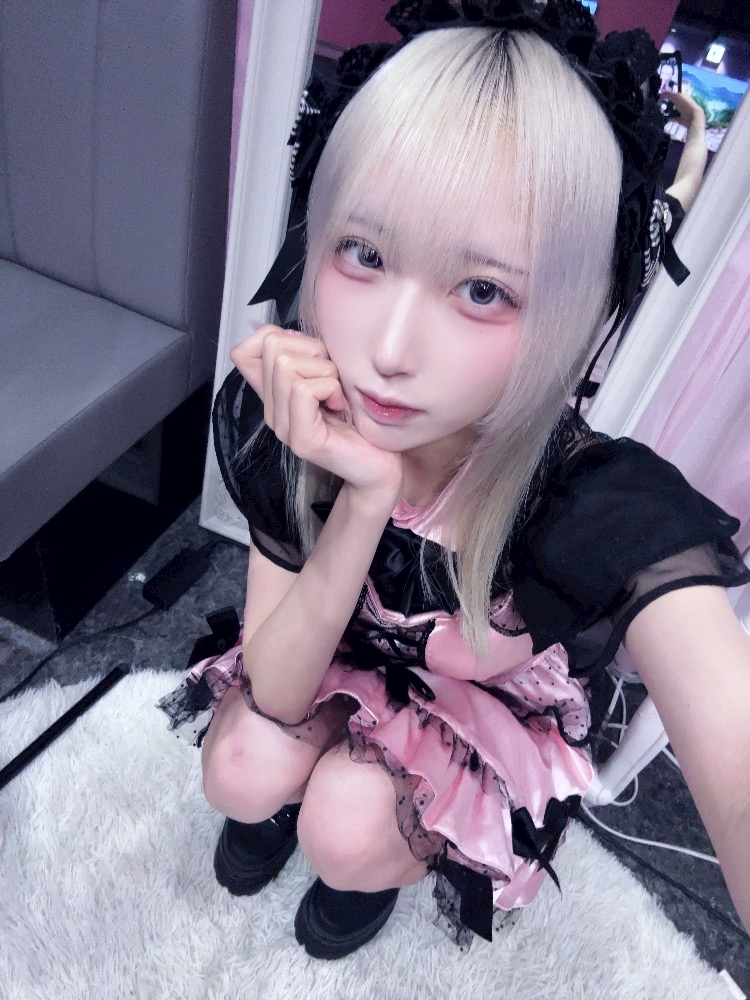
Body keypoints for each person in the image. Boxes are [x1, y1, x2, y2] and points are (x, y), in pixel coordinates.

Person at [159, 0, 750, 959]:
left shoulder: (588, 501)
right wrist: (362, 498)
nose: (389, 351)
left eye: (483, 289)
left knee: (347, 826)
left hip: (471, 714)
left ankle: (363, 856)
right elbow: (275, 689)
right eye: (364, 252)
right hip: (330, 655)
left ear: (570, 309)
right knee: (240, 766)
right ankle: (301, 801)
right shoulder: (296, 405)